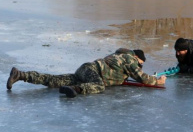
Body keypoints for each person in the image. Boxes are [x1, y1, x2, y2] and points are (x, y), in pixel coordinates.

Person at [7, 48, 167, 98]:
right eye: (141, 64)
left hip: (84, 69)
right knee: (99, 86)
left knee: (54, 80)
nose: (140, 67)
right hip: (92, 73)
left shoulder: (118, 56)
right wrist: (158, 80)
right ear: (137, 57)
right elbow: (142, 78)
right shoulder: (130, 59)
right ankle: (76, 89)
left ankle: (20, 75)